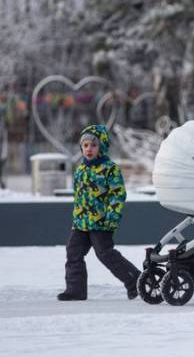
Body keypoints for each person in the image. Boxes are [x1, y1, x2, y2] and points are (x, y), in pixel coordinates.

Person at [58, 125, 140, 301]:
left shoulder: (110, 169)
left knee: (105, 254)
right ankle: (75, 290)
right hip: (81, 223)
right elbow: (78, 196)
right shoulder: (80, 170)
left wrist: (112, 216)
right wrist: (76, 218)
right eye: (85, 145)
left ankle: (135, 281)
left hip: (102, 222)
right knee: (73, 253)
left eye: (93, 145)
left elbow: (118, 194)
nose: (88, 149)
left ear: (101, 147)